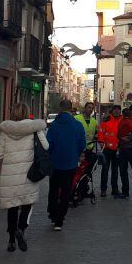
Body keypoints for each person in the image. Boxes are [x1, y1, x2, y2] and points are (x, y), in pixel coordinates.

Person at [0, 103, 48, 252]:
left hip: (9, 176)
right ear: (27, 112)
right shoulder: (35, 129)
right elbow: (46, 146)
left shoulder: (6, 130)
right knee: (26, 204)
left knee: (12, 207)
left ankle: (11, 241)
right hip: (28, 174)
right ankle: (21, 229)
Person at [45, 98, 86, 230]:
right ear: (71, 109)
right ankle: (59, 220)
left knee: (53, 190)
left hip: (55, 163)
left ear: (60, 109)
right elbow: (82, 144)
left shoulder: (54, 126)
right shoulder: (77, 125)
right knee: (66, 191)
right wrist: (76, 153)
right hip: (70, 163)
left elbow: (48, 145)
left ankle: (52, 214)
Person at [96, 106, 122, 198]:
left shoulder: (122, 121)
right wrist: (102, 144)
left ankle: (115, 190)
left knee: (115, 171)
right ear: (112, 111)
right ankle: (103, 190)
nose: (117, 111)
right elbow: (100, 133)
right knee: (105, 170)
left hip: (117, 150)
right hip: (106, 150)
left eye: (118, 109)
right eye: (115, 109)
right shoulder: (106, 121)